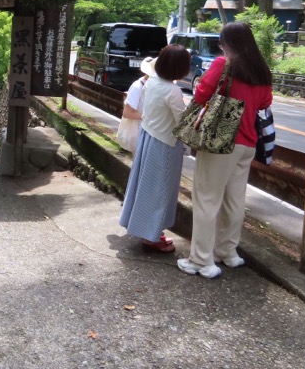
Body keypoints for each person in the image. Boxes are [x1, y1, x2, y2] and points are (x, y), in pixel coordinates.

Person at [178, 22, 273, 279]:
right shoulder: (261, 70)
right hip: (248, 143)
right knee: (234, 199)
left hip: (221, 139)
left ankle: (200, 260)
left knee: (207, 198)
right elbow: (265, 102)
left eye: (221, 43)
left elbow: (201, 93)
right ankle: (228, 252)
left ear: (227, 43)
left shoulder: (224, 64)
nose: (221, 48)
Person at [119, 44, 191, 253]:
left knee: (145, 187)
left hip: (148, 138)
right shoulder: (173, 90)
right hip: (165, 145)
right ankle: (152, 237)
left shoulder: (152, 82)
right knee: (161, 191)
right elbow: (182, 120)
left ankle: (143, 229)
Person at [116, 57, 155, 154]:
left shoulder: (153, 87)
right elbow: (127, 113)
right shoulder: (138, 87)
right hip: (137, 134)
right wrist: (149, 116)